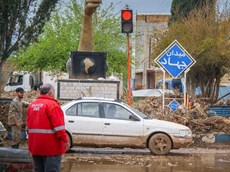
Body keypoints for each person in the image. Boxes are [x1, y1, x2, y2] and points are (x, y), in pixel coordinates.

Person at [26, 83, 70, 172]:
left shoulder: (32, 105)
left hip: (35, 147)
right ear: (50, 93)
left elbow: (28, 127)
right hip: (51, 148)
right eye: (54, 92)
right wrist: (66, 141)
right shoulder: (53, 105)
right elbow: (59, 128)